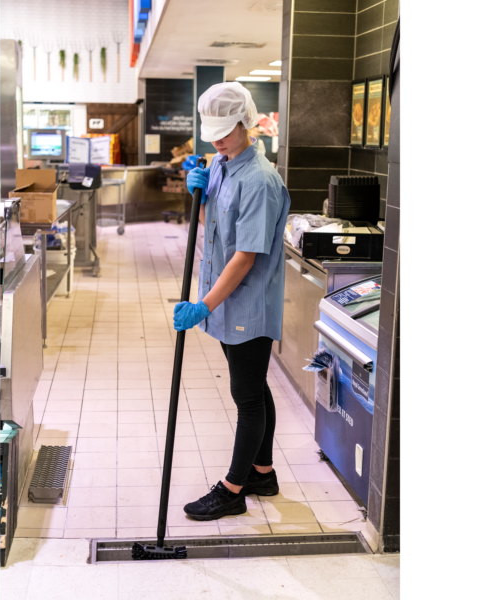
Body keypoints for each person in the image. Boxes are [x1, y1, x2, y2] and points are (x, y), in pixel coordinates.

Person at [173, 82, 291, 521]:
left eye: (226, 130)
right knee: (254, 386)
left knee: (246, 396)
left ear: (247, 123)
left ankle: (233, 489)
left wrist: (204, 304)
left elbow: (244, 257)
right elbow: (216, 229)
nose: (218, 139)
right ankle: (263, 472)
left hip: (246, 304)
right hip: (227, 302)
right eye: (214, 132)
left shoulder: (260, 180)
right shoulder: (223, 165)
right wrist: (198, 196)